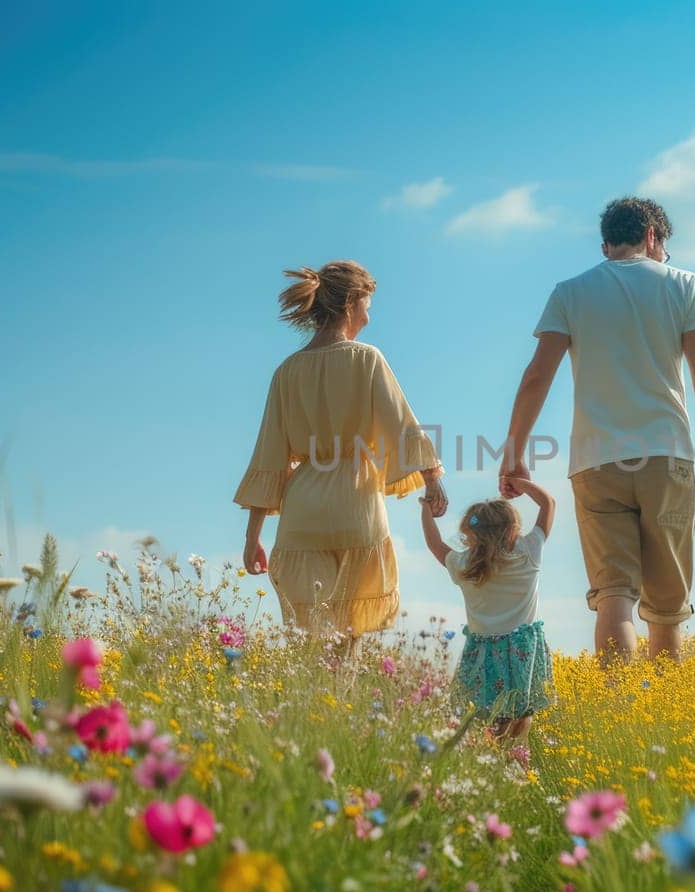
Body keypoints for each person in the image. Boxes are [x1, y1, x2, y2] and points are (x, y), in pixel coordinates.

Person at [500, 197, 695, 666]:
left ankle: (618, 710)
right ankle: (661, 719)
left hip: (594, 462)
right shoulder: (684, 284)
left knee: (614, 596)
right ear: (653, 236)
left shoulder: (570, 292)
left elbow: (536, 377)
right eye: (663, 247)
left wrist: (514, 453)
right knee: (666, 608)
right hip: (666, 457)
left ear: (607, 243)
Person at [235, 260, 447, 642]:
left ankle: (313, 698)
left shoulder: (287, 371)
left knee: (310, 635)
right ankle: (343, 698)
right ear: (350, 302)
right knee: (349, 635)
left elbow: (269, 455)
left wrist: (253, 536)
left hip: (302, 515)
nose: (368, 315)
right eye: (367, 303)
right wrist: (431, 479)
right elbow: (403, 424)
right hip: (356, 506)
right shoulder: (366, 358)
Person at [420, 478, 555, 743]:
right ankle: (513, 756)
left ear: (470, 535)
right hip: (522, 650)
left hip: (483, 652)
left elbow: (435, 544)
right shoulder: (528, 552)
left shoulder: (464, 565)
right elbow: (548, 503)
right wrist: (518, 483)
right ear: (512, 529)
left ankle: (489, 757)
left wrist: (426, 508)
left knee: (485, 718)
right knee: (521, 712)